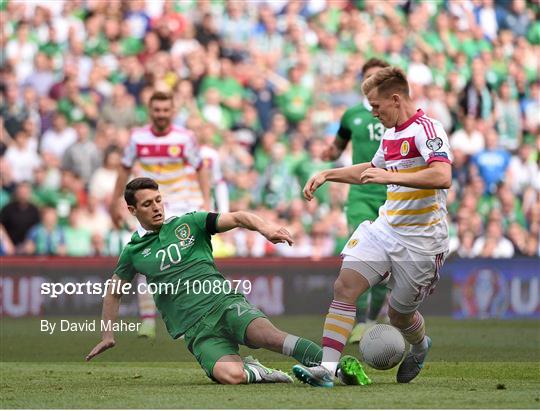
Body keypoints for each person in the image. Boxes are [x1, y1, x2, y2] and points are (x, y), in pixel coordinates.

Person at [86, 177, 370, 386]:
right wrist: (107, 335)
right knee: (229, 376)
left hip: (224, 304)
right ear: (133, 210)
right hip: (195, 330)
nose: (157, 208)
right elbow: (114, 292)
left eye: (158, 200)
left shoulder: (190, 223)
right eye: (147, 204)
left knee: (269, 337)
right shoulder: (133, 252)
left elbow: (237, 217)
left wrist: (266, 228)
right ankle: (260, 372)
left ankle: (338, 367)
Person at [294, 67, 452, 387]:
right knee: (345, 287)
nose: (374, 113)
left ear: (396, 99)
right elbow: (371, 169)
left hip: (422, 242)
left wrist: (391, 177)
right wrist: (328, 174)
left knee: (399, 316)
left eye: (377, 106)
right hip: (385, 228)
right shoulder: (391, 134)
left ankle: (420, 346)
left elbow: (442, 176)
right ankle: (326, 369)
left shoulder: (427, 128)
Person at [110, 91, 211, 339]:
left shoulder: (185, 138)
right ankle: (147, 320)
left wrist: (207, 201)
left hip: (178, 205)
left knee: (185, 262)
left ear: (173, 110)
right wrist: (115, 202)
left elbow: (200, 169)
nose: (161, 114)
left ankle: (194, 315)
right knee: (147, 261)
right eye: (157, 109)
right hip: (148, 206)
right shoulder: (137, 138)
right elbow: (123, 170)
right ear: (150, 110)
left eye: (166, 110)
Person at [322, 58, 390, 343]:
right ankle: (360, 320)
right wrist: (329, 154)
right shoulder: (351, 115)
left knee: (387, 260)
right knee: (362, 252)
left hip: (390, 192)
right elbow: (338, 145)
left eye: (378, 77)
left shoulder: (394, 114)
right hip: (361, 192)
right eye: (368, 77)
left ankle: (373, 317)